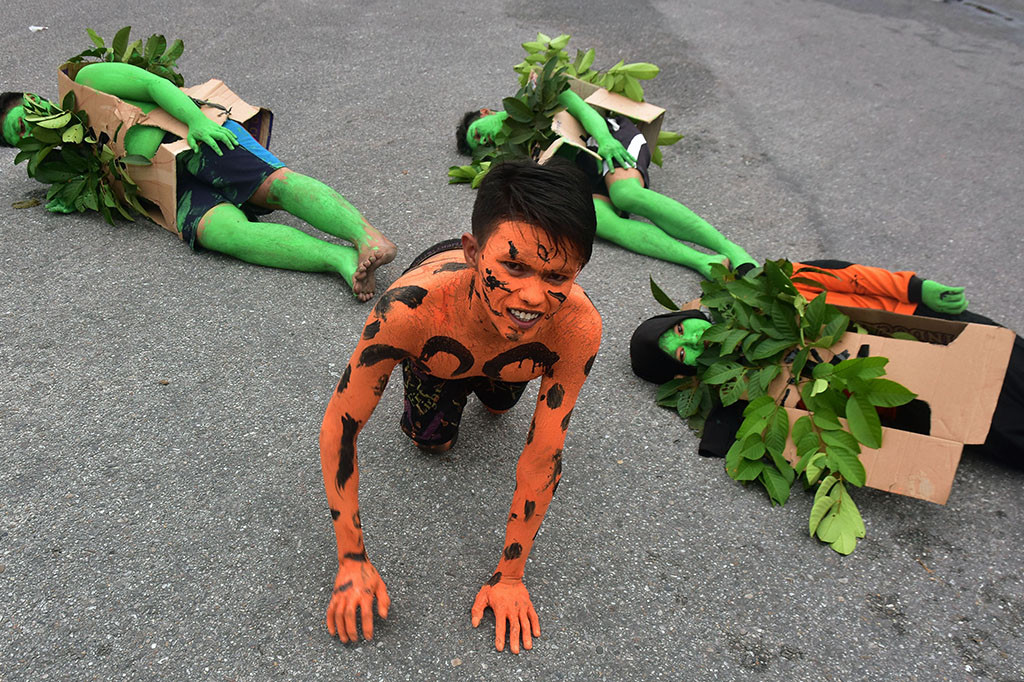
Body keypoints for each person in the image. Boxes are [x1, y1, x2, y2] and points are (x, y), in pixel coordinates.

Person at [319, 159, 602, 653]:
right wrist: (350, 560)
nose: (533, 295)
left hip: (516, 356)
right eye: (513, 266)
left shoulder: (577, 327)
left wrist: (510, 578)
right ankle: (433, 380)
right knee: (433, 440)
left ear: (577, 273)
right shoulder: (407, 310)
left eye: (557, 275)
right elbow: (341, 425)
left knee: (499, 406)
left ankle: (488, 383)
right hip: (442, 337)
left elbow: (543, 456)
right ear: (474, 252)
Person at [2, 62, 395, 300]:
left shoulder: (87, 80)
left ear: (35, 101)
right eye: (19, 138)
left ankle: (366, 237)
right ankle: (340, 260)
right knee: (225, 235)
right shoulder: (67, 159)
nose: (29, 132)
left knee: (274, 187)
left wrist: (194, 121)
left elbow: (152, 86)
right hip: (172, 189)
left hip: (190, 138)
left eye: (22, 121)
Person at [629, 260, 1023, 469]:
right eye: (683, 352)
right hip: (923, 389)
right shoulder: (750, 386)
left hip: (935, 330)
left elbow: (845, 277)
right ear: (687, 374)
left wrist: (914, 288)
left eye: (681, 330)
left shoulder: (767, 289)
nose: (694, 339)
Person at [456, 88, 756, 278]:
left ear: (487, 113)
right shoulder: (515, 155)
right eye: (480, 145)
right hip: (580, 175)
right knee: (601, 223)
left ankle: (731, 249)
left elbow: (581, 107)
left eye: (478, 132)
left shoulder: (535, 95)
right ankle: (704, 262)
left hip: (607, 138)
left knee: (626, 194)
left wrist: (607, 141)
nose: (484, 140)